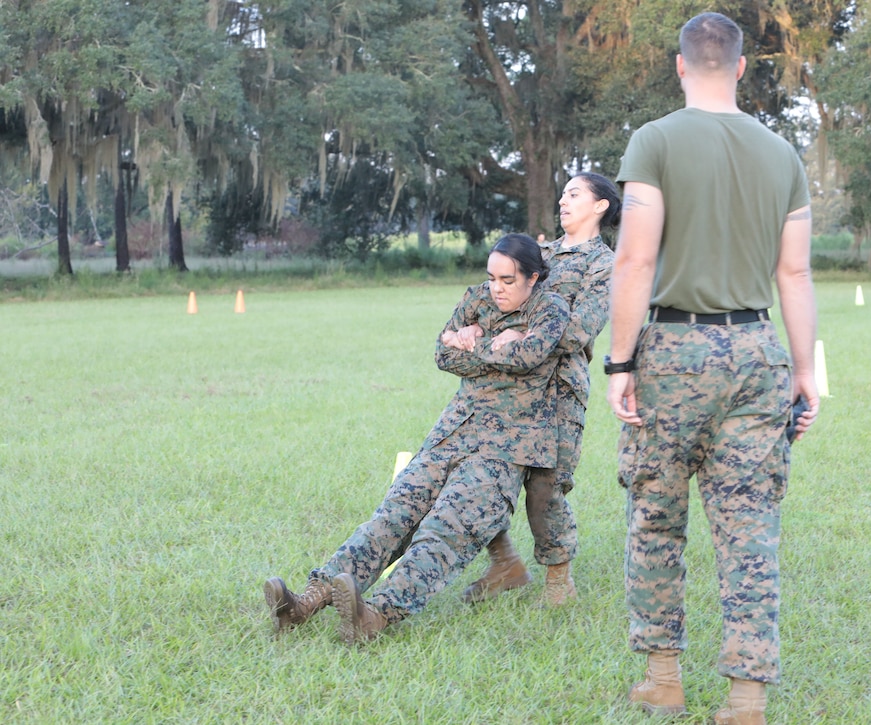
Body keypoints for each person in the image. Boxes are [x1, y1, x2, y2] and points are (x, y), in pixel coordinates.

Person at [605, 13, 819, 725]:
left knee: (657, 518)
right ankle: (746, 698)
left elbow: (635, 258)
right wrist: (804, 370)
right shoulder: (782, 152)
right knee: (750, 528)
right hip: (758, 351)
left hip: (672, 350)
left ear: (678, 66)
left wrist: (619, 359)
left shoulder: (655, 140)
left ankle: (663, 677)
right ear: (741, 65)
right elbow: (795, 273)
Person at [263, 234, 571, 643]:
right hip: (451, 435)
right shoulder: (477, 299)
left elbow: (528, 357)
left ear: (533, 278)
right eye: (492, 277)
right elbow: (444, 354)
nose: (496, 288)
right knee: (391, 516)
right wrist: (493, 343)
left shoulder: (551, 309)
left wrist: (476, 342)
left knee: (445, 530)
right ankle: (307, 601)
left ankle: (374, 616)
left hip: (505, 449)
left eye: (508, 280)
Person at [452, 172, 619, 606]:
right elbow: (492, 301)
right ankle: (504, 562)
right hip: (506, 381)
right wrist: (474, 325)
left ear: (600, 206)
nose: (563, 200)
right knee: (484, 471)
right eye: (561, 192)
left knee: (547, 483)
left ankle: (558, 581)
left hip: (560, 386)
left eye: (574, 194)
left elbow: (578, 331)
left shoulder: (605, 265)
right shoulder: (537, 252)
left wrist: (520, 338)